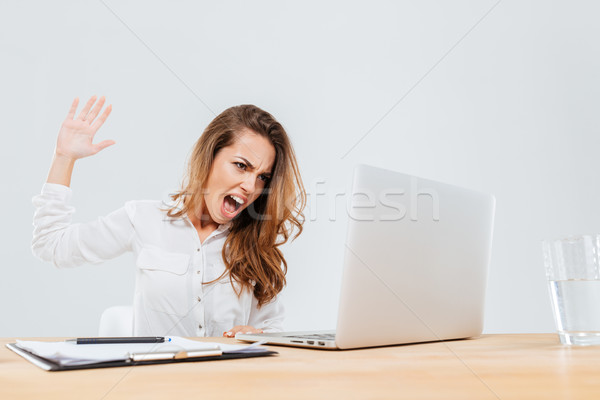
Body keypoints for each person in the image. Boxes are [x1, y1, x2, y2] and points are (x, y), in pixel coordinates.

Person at [32, 96, 306, 338]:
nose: (250, 186)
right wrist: (64, 158)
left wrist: (257, 334)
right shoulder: (143, 218)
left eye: (262, 177)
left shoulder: (254, 243)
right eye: (241, 166)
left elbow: (271, 330)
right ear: (210, 156)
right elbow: (51, 245)